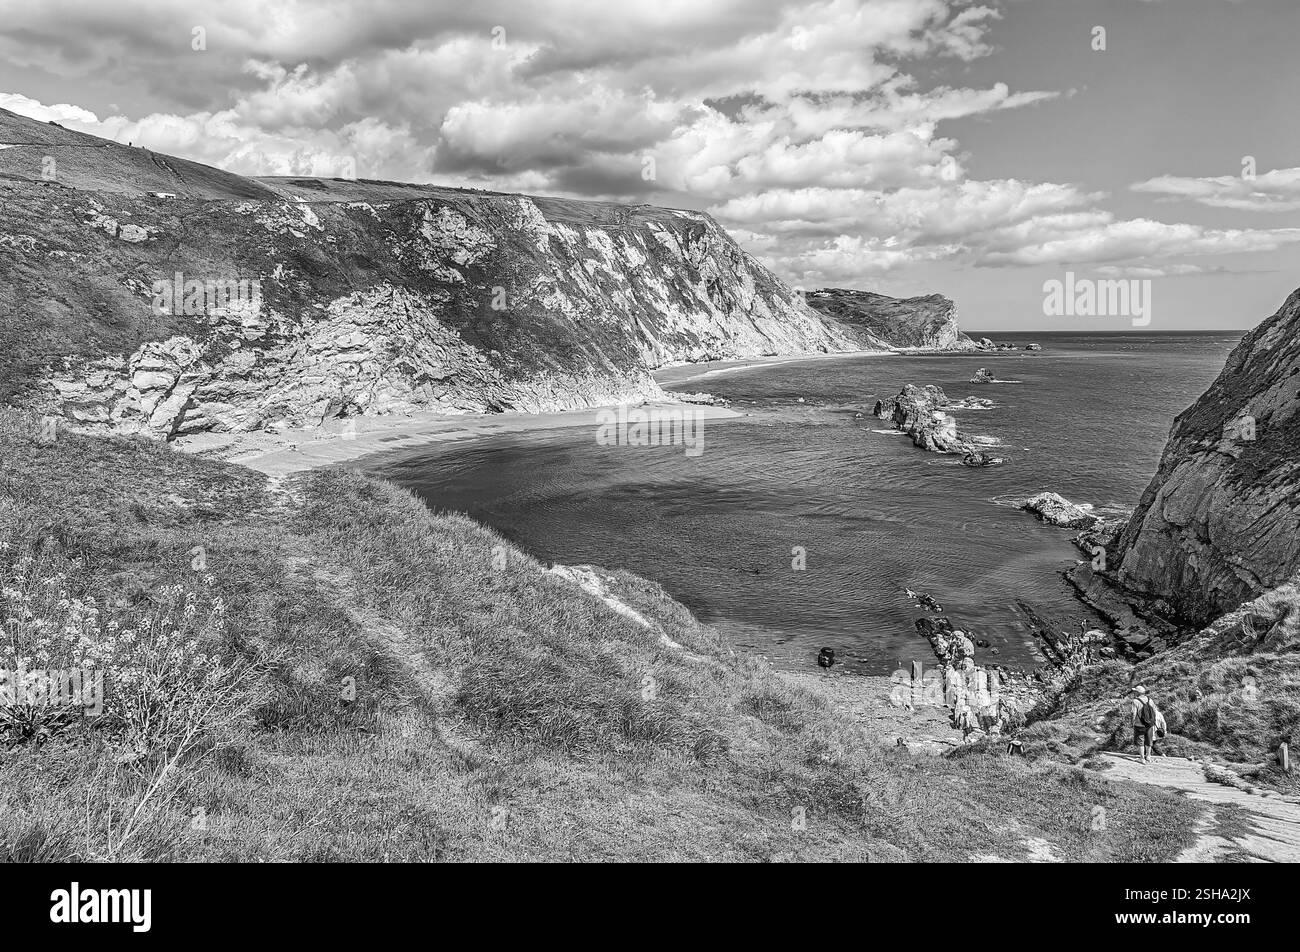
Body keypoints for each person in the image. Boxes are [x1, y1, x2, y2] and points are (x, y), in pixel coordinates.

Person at [1129, 686, 1162, 763]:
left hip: (1139, 724)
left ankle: (1142, 758)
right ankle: (1148, 757)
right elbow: (1154, 711)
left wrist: (1132, 722)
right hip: (1150, 724)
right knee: (1149, 740)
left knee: (1140, 741)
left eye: (1135, 691)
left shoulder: (1135, 701)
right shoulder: (1150, 700)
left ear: (1138, 692)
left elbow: (1133, 713)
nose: (1134, 693)